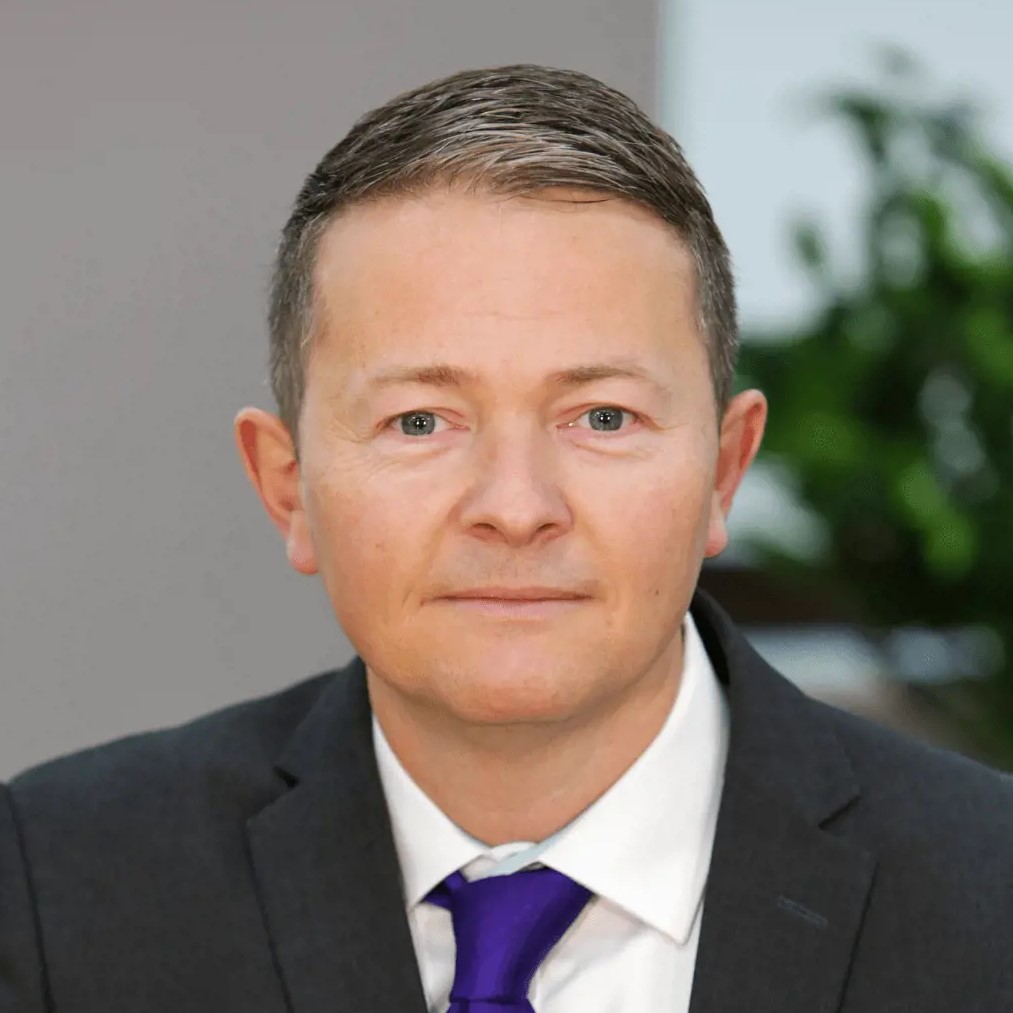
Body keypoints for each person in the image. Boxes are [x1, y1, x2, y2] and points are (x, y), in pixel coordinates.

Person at [1, 63, 1011, 1013]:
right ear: (287, 486)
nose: (516, 505)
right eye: (419, 422)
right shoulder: (53, 884)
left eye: (602, 417)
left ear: (722, 467)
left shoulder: (987, 893)